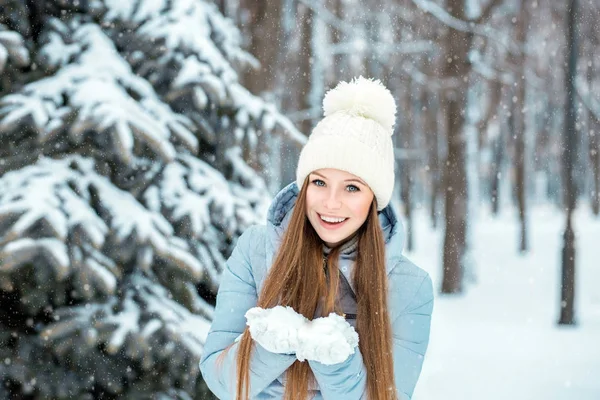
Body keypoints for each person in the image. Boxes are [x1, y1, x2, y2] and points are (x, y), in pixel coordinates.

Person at [199, 77, 434, 400]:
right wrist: (270, 345)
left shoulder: (410, 286)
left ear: (374, 199)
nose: (331, 202)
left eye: (352, 187)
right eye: (320, 182)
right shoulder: (256, 250)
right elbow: (221, 382)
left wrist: (336, 360)